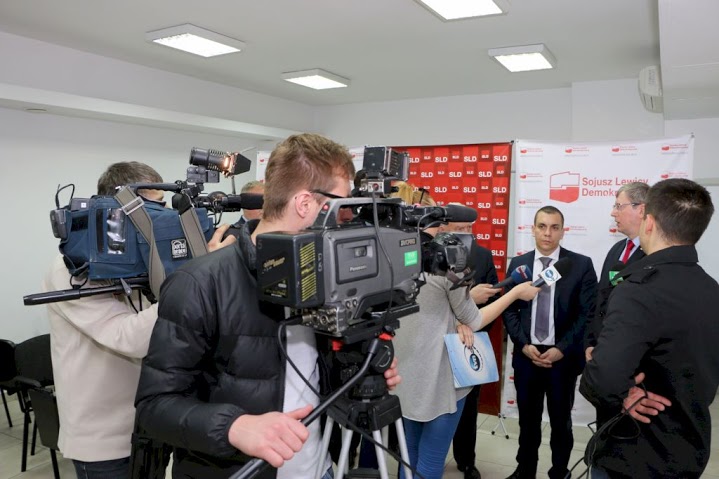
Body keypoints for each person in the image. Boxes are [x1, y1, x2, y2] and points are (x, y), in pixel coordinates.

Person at [133, 133, 401, 479]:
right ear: (306, 204)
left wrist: (361, 371)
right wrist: (234, 427)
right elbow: (154, 407)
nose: (349, 216)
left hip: (319, 468)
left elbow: (311, 373)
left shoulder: (329, 271)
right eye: (342, 204)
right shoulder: (200, 283)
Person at [43, 161, 235, 479]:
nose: (162, 220)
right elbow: (128, 338)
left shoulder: (148, 256)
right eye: (154, 210)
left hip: (152, 422)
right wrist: (196, 272)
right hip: (104, 438)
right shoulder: (72, 267)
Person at [580, 178, 719, 478]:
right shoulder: (712, 289)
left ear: (650, 223)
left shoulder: (639, 290)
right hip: (689, 449)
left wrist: (618, 389)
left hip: (635, 452)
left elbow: (601, 381)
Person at [393, 208, 540, 479]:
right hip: (439, 380)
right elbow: (474, 319)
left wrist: (457, 314)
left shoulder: (391, 258)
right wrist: (516, 293)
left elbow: (430, 310)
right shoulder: (448, 264)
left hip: (403, 377)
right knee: (430, 462)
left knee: (409, 455)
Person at [503, 205, 597, 479]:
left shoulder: (580, 265)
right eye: (542, 226)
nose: (548, 233)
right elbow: (509, 309)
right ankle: (525, 470)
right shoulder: (518, 265)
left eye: (554, 227)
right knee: (528, 421)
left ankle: (559, 471)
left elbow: (586, 314)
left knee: (560, 421)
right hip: (527, 356)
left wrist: (561, 349)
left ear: (562, 231)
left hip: (562, 360)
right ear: (532, 229)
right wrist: (523, 344)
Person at [583, 182, 648, 430]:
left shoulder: (655, 255)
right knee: (606, 429)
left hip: (635, 370)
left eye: (619, 206)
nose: (613, 212)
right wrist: (591, 343)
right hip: (605, 358)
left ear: (641, 209)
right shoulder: (617, 249)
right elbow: (600, 300)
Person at [450, 221, 499, 479]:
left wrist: (472, 327)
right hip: (436, 343)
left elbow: (494, 298)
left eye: (467, 228)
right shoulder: (430, 256)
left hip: (470, 344)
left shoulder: (483, 255)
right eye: (457, 228)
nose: (464, 234)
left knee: (468, 408)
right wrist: (469, 296)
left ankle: (466, 460)